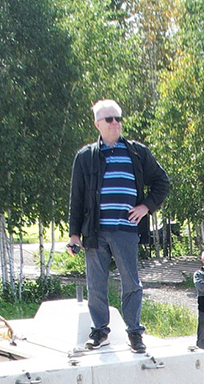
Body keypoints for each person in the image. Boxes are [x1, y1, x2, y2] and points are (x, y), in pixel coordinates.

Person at [66, 98, 171, 353]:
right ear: (97, 124)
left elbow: (162, 182)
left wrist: (146, 207)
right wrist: (74, 234)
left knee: (131, 282)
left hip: (126, 230)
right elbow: (76, 197)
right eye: (109, 119)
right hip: (95, 231)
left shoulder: (137, 152)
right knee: (96, 283)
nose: (115, 123)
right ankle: (100, 330)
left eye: (118, 118)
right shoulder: (86, 156)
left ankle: (134, 332)